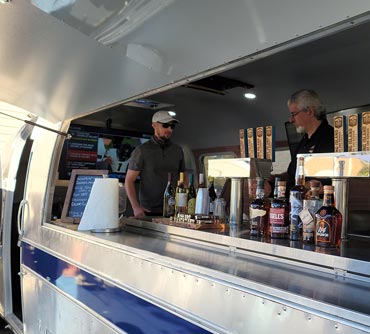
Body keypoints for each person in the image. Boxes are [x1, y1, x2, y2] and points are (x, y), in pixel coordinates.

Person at [267, 89, 334, 195]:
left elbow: (336, 179)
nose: (291, 119)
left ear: (310, 111)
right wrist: (271, 186)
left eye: (294, 114)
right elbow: (292, 178)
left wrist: (315, 186)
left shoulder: (332, 139)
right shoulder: (302, 143)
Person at [125, 110, 185, 217]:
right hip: (148, 211)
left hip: (174, 210)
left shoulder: (178, 150)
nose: (169, 129)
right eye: (165, 125)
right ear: (154, 125)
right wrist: (136, 207)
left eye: (172, 126)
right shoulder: (142, 151)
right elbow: (129, 181)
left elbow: (183, 179)